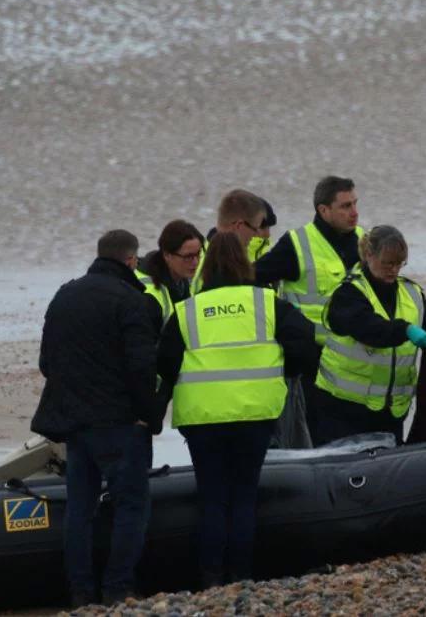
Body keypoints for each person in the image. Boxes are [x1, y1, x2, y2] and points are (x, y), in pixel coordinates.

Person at [156, 232, 316, 588]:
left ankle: (211, 577)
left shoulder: (188, 311)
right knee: (244, 496)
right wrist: (285, 370)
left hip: (203, 419)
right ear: (245, 264)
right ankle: (241, 576)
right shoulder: (267, 303)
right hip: (255, 414)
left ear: (207, 267)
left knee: (212, 498)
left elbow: (165, 365)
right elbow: (306, 344)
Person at [30, 229, 161, 607]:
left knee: (80, 510)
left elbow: (46, 363)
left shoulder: (64, 295)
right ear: (132, 260)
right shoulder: (131, 300)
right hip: (119, 424)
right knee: (131, 506)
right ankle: (119, 588)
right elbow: (141, 368)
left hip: (73, 424)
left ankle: (81, 592)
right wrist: (149, 418)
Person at [312, 226, 426, 445]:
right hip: (343, 408)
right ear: (369, 255)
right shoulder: (348, 294)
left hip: (391, 412)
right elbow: (370, 328)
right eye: (388, 262)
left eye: (400, 263)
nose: (394, 270)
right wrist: (404, 329)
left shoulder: (412, 294)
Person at [255, 175, 363, 437]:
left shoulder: (365, 241)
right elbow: (253, 279)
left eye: (355, 204)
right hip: (313, 361)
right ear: (323, 210)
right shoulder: (296, 243)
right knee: (317, 435)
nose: (355, 213)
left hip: (356, 358)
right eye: (346, 206)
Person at [190, 189, 272, 295]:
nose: (256, 235)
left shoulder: (201, 260)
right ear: (239, 226)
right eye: (255, 229)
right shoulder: (215, 266)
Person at [136, 219, 205, 325]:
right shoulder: (148, 296)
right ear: (167, 255)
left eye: (198, 253)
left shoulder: (181, 281)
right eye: (188, 257)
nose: (196, 262)